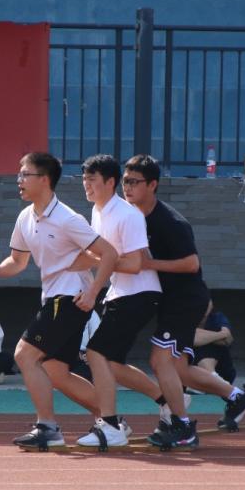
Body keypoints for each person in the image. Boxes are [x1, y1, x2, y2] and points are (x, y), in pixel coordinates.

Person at [122, 154, 245, 447]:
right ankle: (238, 397)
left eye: (134, 182)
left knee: (159, 360)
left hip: (184, 301)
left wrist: (148, 264)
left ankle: (182, 426)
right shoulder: (133, 217)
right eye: (125, 181)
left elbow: (191, 264)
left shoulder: (171, 222)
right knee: (180, 368)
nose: (127, 187)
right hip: (170, 301)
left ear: (152, 185)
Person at [0, 151, 118, 449]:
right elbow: (17, 262)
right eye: (19, 174)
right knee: (56, 371)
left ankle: (47, 427)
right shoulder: (25, 217)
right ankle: (111, 421)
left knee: (24, 355)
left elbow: (109, 253)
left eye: (25, 174)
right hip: (53, 300)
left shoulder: (68, 219)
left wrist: (93, 292)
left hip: (68, 299)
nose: (19, 180)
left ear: (44, 180)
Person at [69, 154, 168, 449]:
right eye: (84, 180)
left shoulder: (128, 215)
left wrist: (97, 265)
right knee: (111, 363)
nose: (86, 185)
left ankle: (111, 425)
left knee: (95, 352)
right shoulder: (97, 211)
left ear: (110, 182)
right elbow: (98, 257)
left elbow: (135, 264)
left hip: (140, 294)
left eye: (92, 180)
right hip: (119, 294)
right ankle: (168, 402)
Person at [193, 300, 237, 386]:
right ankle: (214, 379)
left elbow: (228, 339)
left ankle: (215, 380)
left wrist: (202, 336)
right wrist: (220, 335)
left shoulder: (217, 317)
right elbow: (192, 339)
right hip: (191, 371)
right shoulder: (185, 318)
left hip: (223, 371)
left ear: (211, 305)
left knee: (210, 345)